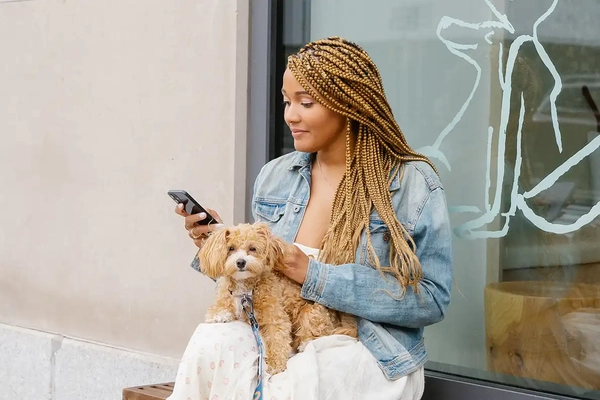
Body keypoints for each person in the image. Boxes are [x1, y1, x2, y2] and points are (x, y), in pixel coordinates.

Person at [168, 36, 453, 400]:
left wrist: (315, 275)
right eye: (287, 102)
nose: (290, 115)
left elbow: (431, 299)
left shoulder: (412, 185)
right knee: (210, 342)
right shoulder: (277, 176)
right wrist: (219, 249)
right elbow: (258, 291)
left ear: (348, 104)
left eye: (306, 102)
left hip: (365, 347)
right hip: (282, 333)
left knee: (284, 389)